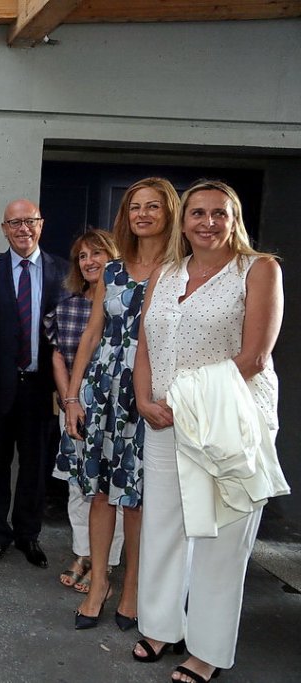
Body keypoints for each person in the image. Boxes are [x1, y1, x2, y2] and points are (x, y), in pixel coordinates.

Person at [132, 180, 288, 682]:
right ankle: (160, 625)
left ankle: (207, 651)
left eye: (219, 213)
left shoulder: (258, 269)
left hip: (229, 421)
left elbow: (254, 357)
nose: (207, 222)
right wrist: (143, 400)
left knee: (221, 539)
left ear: (234, 219)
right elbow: (145, 348)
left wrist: (179, 400)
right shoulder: (166, 272)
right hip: (163, 420)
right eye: (197, 213)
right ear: (183, 221)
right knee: (164, 528)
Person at [63, 177, 179, 630]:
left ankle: (132, 590)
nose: (143, 214)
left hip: (148, 393)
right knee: (98, 494)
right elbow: (91, 334)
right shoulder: (111, 271)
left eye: (153, 207)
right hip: (101, 391)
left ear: (169, 213)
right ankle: (98, 585)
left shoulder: (180, 270)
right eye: (135, 207)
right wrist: (72, 396)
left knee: (137, 499)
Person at [0, 199, 66, 570]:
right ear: (4, 228)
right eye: (15, 223)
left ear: (41, 224)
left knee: (35, 469)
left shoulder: (63, 271)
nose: (23, 228)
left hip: (42, 392)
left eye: (30, 221)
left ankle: (28, 536)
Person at [45, 229, 124, 593]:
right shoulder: (69, 303)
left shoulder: (127, 303)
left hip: (117, 411)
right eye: (82, 255)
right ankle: (83, 554)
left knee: (112, 490)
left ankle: (104, 564)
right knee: (79, 487)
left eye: (98, 253)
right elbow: (59, 355)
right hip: (75, 407)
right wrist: (69, 401)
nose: (90, 261)